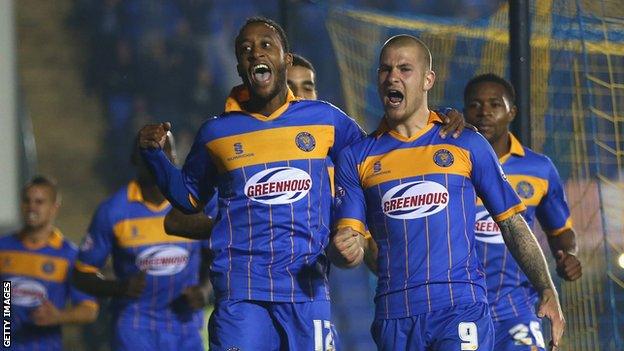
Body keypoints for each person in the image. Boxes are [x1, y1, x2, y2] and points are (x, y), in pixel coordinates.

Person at [138, 18, 467, 351]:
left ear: (287, 59)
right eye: (246, 49)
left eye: (266, 45)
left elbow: (380, 152)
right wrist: (154, 157)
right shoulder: (216, 133)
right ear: (239, 65)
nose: (255, 53)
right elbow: (188, 197)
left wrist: (434, 116)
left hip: (306, 292)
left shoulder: (326, 119)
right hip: (241, 292)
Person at [329, 34, 565, 351]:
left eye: (404, 68)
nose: (392, 77)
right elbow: (350, 241)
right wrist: (343, 252)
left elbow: (512, 223)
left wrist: (546, 288)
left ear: (428, 79)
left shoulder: (466, 143)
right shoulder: (356, 157)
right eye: (385, 70)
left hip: (460, 305)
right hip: (394, 315)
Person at [463, 73, 582, 351]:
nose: (484, 113)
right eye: (475, 105)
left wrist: (568, 255)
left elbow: (561, 231)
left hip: (516, 307)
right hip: (461, 308)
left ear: (512, 112)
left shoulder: (539, 169)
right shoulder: (449, 166)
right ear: (463, 111)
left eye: (495, 104)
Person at [72, 134, 212, 351]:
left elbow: (214, 257)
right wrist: (119, 287)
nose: (157, 157)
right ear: (134, 158)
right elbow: (81, 275)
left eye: (164, 150)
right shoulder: (113, 211)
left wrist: (204, 289)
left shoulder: (196, 204)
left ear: (174, 157)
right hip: (135, 326)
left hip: (185, 325)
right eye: (149, 151)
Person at [0, 176, 98, 350]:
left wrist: (59, 316)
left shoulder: (69, 255)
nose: (31, 207)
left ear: (54, 208)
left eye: (39, 202)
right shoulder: (4, 247)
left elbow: (89, 310)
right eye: (27, 201)